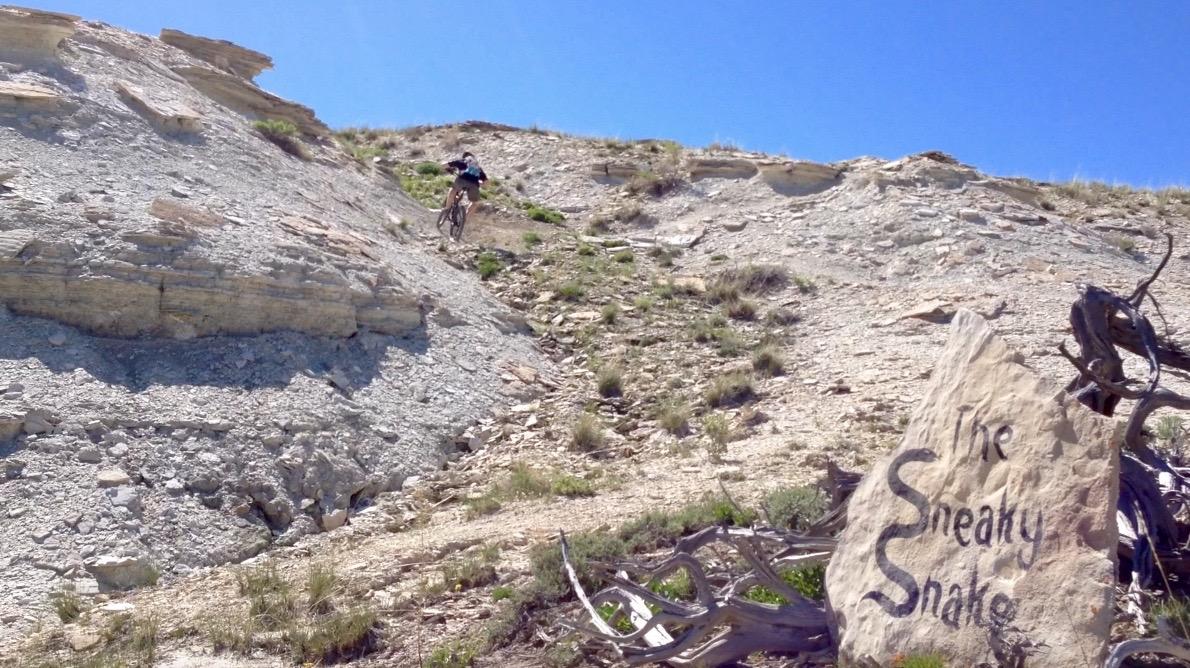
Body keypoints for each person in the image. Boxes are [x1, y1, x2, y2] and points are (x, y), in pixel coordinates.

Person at [442, 151, 487, 221]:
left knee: (453, 190)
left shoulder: (462, 161)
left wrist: (448, 170)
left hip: (462, 180)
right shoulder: (478, 168)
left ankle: (447, 209)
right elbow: (487, 183)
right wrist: (479, 183)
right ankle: (464, 220)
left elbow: (443, 165)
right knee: (474, 203)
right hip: (474, 185)